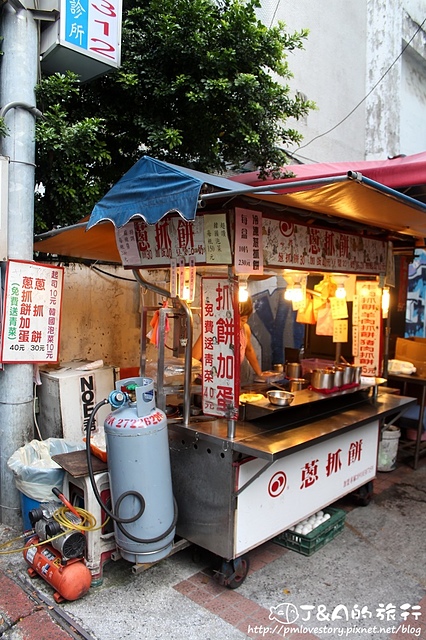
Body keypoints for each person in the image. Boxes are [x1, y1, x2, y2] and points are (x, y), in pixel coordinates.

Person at [192, 297, 265, 377]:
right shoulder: (212, 331)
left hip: (228, 383)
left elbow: (249, 350)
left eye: (243, 320)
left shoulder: (245, 330)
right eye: (234, 319)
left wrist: (260, 373)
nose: (238, 324)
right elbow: (192, 361)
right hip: (207, 383)